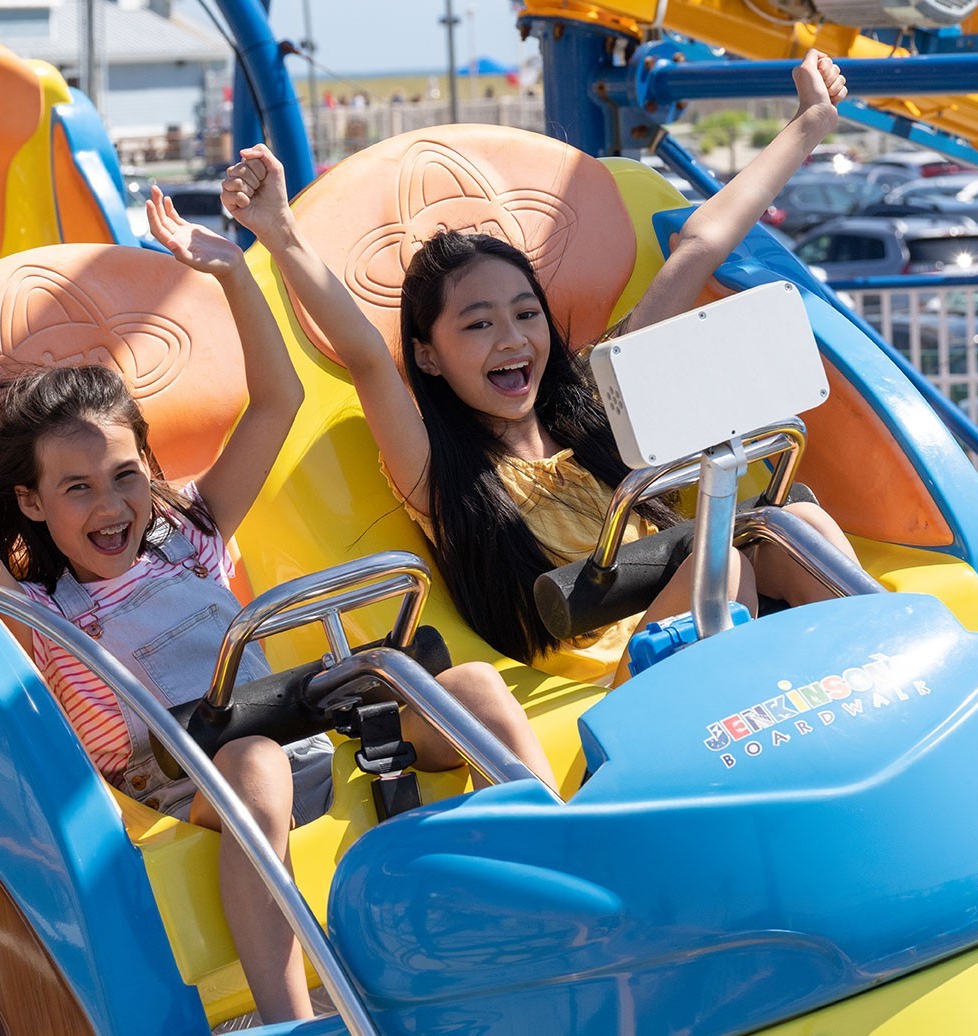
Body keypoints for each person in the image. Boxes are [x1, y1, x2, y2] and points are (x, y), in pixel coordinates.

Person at [0, 187, 556, 1024]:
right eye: (77, 489)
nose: (112, 505)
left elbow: (279, 403)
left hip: (288, 715)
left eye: (126, 477)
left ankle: (562, 879)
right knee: (256, 766)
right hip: (184, 767)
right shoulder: (49, 611)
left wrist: (234, 271)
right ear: (32, 504)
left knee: (473, 690)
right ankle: (290, 1012)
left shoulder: (190, 534)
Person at [222, 50, 862, 686]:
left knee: (794, 525)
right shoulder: (442, 475)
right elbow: (364, 352)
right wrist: (281, 233)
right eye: (477, 324)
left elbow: (696, 250)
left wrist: (809, 123)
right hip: (614, 691)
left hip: (702, 642)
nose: (512, 339)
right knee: (719, 562)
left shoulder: (594, 407)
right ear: (428, 356)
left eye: (526, 314)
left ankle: (886, 677)